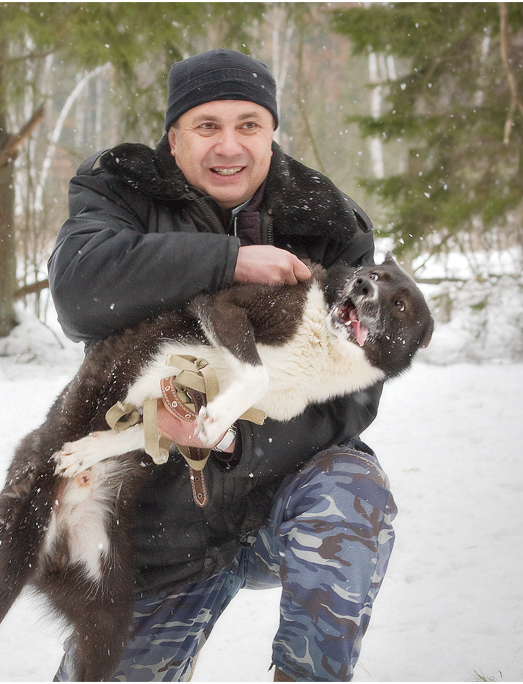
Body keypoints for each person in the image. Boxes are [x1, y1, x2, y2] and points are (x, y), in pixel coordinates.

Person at [47, 49, 395, 682]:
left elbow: (354, 396)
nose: (228, 146)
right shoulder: (121, 187)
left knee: (352, 490)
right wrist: (230, 260)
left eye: (248, 125)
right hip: (156, 528)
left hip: (278, 492)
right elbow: (79, 292)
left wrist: (231, 438)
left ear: (272, 134)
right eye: (207, 126)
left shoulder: (327, 219)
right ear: (174, 135)